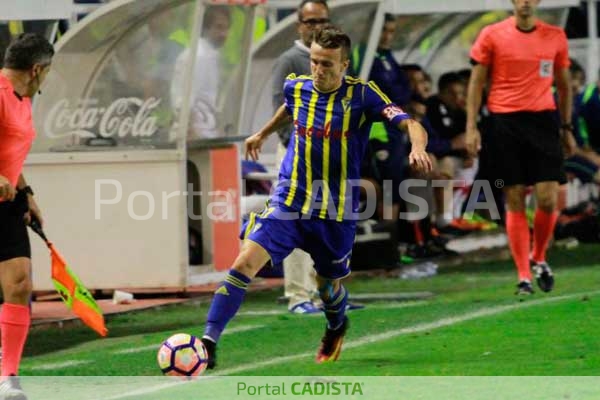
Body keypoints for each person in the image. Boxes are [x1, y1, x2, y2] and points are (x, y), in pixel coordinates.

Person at [200, 25, 432, 369]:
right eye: (314, 61)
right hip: (290, 201)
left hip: (335, 212)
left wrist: (417, 146)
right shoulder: (297, 87)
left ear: (344, 66)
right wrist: (262, 132)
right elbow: (290, 108)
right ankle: (209, 341)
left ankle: (336, 323)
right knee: (243, 263)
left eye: (327, 64)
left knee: (327, 288)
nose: (318, 70)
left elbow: (409, 122)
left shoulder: (364, 95)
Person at [466, 0, 576, 295]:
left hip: (543, 121)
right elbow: (476, 83)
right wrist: (472, 126)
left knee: (548, 198)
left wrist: (566, 128)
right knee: (513, 196)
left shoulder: (555, 36)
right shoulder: (491, 34)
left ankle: (538, 256)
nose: (525, 2)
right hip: (504, 122)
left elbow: (564, 85)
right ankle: (524, 276)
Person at [0, 33, 54, 399]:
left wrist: (26, 191)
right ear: (36, 69)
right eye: (48, 71)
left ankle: (8, 377)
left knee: (19, 283)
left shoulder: (24, 99)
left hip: (7, 202)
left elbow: (9, 150)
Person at [271, 0, 330, 314]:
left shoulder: (332, 58)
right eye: (310, 21)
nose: (316, 26)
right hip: (297, 154)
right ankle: (297, 295)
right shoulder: (290, 60)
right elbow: (279, 109)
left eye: (322, 20)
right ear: (299, 25)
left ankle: (320, 293)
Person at [172, 6, 231, 140]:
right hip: (195, 137)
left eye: (226, 28)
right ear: (205, 28)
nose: (224, 34)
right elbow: (185, 99)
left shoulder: (210, 54)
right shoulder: (199, 56)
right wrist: (192, 132)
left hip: (207, 134)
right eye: (219, 27)